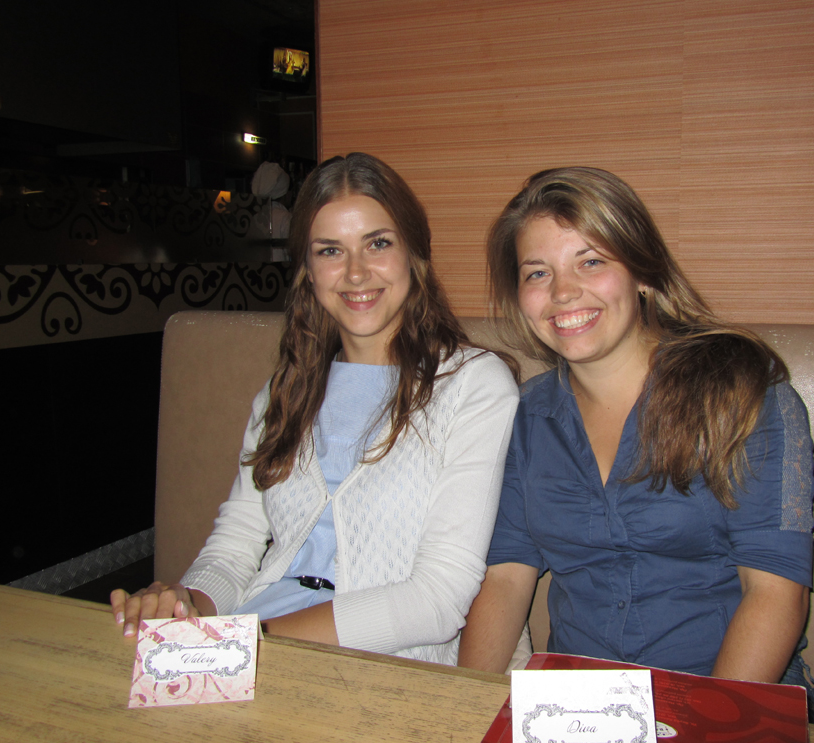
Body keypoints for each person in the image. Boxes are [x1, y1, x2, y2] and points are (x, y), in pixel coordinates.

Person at [111, 153, 519, 665]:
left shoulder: (472, 385)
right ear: (307, 270)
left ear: (414, 252)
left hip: (384, 657)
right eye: (330, 251)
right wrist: (186, 603)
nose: (355, 273)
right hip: (257, 631)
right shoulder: (285, 392)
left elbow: (436, 600)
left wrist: (246, 642)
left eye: (378, 243)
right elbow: (235, 546)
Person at [458, 166, 814, 719]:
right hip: (578, 715)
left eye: (591, 261)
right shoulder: (526, 415)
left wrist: (704, 736)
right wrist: (466, 714)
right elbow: (505, 578)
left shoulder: (743, 393)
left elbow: (775, 593)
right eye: (538, 273)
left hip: (728, 705)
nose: (562, 292)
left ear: (643, 273)